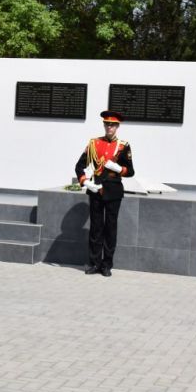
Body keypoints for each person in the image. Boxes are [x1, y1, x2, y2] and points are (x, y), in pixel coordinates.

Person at [75, 110, 135, 277]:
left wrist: (118, 168)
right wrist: (85, 182)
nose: (110, 127)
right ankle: (94, 263)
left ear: (117, 127)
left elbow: (131, 171)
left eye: (113, 125)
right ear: (104, 125)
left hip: (114, 191)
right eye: (107, 124)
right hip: (96, 189)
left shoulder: (123, 146)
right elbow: (79, 166)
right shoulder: (94, 143)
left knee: (110, 228)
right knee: (96, 228)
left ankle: (107, 265)